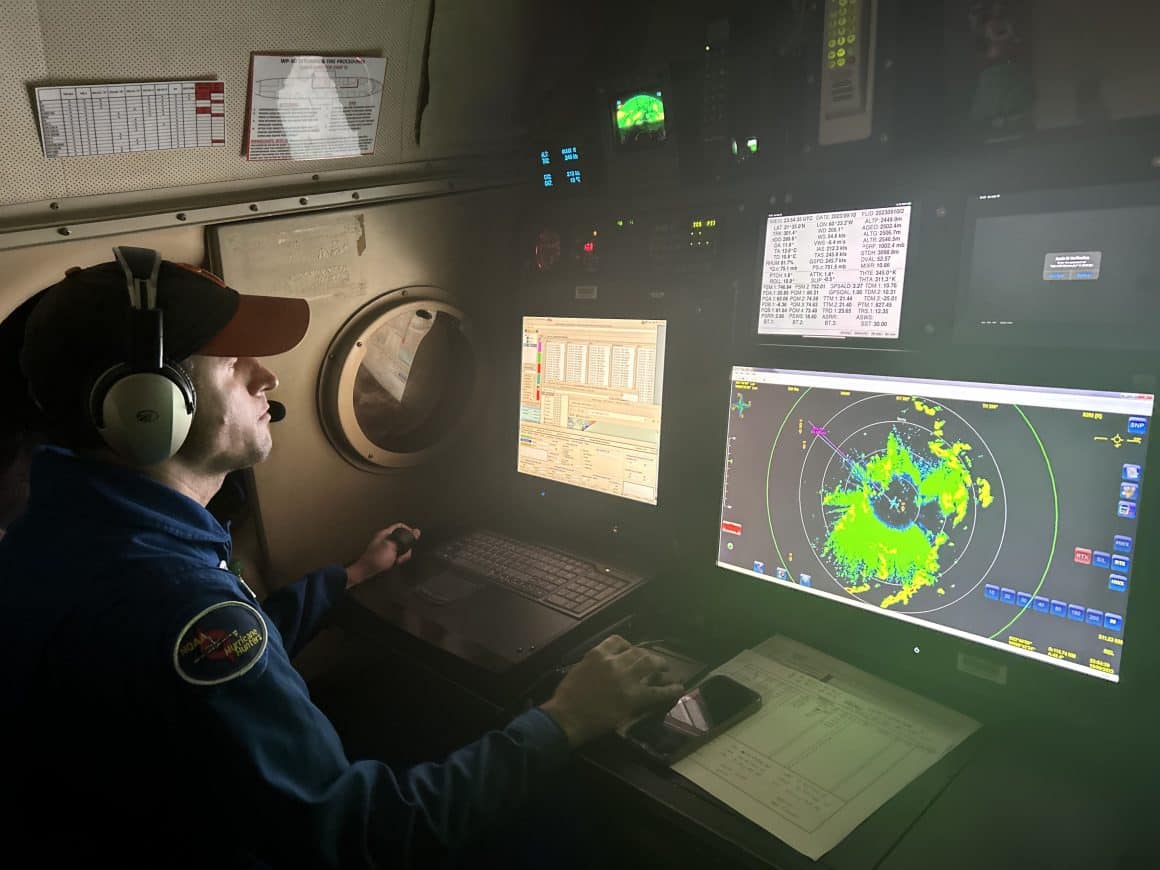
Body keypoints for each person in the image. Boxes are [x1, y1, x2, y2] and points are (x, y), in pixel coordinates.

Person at [0, 248, 683, 868]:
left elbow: (212, 654)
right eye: (232, 358)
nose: (265, 376)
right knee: (570, 829)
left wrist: (346, 579)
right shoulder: (175, 604)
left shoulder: (65, 528)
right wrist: (567, 718)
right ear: (145, 405)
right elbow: (359, 832)